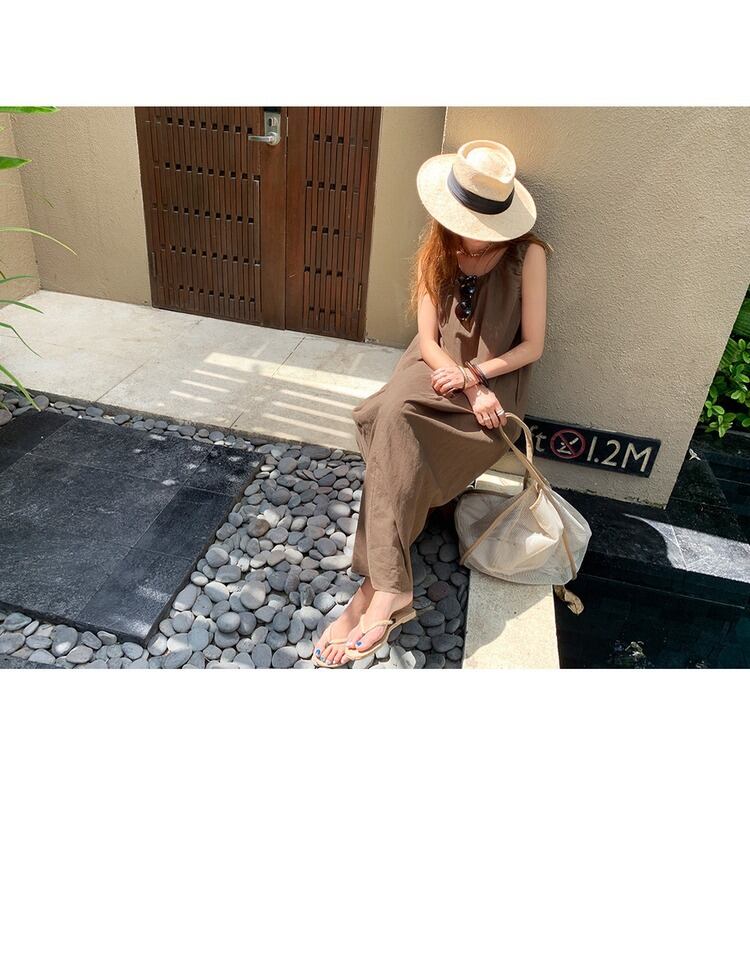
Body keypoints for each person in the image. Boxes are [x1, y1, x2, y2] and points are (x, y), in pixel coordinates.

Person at [312, 139, 551, 667]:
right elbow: (427, 340)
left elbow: (532, 346)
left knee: (393, 433)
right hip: (436, 369)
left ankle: (374, 591)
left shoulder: (527, 255)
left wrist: (478, 377)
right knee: (393, 415)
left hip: (494, 382)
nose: (472, 228)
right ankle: (387, 588)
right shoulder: (436, 244)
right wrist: (463, 380)